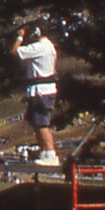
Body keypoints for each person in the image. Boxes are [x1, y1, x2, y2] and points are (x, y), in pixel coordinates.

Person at [15, 21, 60, 166]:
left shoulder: (40, 47)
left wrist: (19, 38)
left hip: (41, 91)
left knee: (41, 124)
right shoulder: (49, 46)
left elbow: (16, 52)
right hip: (42, 90)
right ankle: (45, 152)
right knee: (37, 122)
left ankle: (50, 154)